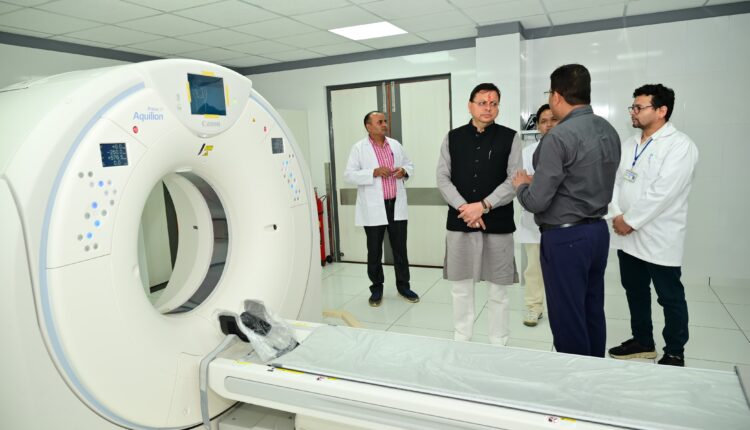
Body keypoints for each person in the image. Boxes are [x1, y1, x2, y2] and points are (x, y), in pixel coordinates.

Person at [513, 64, 620, 357]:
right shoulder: (608, 130)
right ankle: (594, 367)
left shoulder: (558, 137)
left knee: (567, 316)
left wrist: (522, 186)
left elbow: (536, 201)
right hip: (597, 232)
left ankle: (575, 379)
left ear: (557, 96)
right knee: (591, 308)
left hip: (565, 238)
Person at [607, 84, 699, 367]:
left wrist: (630, 221)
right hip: (627, 236)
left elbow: (664, 192)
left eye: (639, 107)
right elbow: (614, 182)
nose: (633, 112)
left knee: (669, 297)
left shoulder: (680, 145)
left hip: (660, 236)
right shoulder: (629, 144)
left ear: (661, 111)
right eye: (633, 107)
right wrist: (617, 215)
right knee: (635, 291)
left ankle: (675, 351)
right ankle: (643, 341)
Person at [436, 83, 522, 346]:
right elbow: (442, 178)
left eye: (494, 103)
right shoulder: (453, 137)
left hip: (497, 224)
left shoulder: (510, 137)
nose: (488, 108)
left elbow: (514, 180)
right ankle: (462, 338)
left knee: (498, 291)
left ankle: (499, 341)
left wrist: (482, 206)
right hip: (461, 223)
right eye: (482, 102)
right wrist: (466, 208)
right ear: (470, 105)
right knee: (461, 287)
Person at [344, 111, 419, 307]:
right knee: (374, 251)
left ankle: (404, 287)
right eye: (379, 122)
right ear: (368, 126)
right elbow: (349, 175)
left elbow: (409, 165)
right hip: (374, 207)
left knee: (400, 249)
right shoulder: (359, 148)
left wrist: (404, 171)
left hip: (395, 205)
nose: (384, 124)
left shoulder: (395, 145)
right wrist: (373, 172)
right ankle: (376, 289)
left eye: (385, 121)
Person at [518, 104, 558, 327]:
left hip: (562, 220)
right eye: (544, 121)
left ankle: (561, 308)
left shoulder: (570, 147)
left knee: (561, 269)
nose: (549, 125)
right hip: (534, 220)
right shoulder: (527, 152)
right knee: (533, 268)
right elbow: (521, 181)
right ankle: (534, 307)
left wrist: (537, 181)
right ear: (538, 126)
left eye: (554, 119)